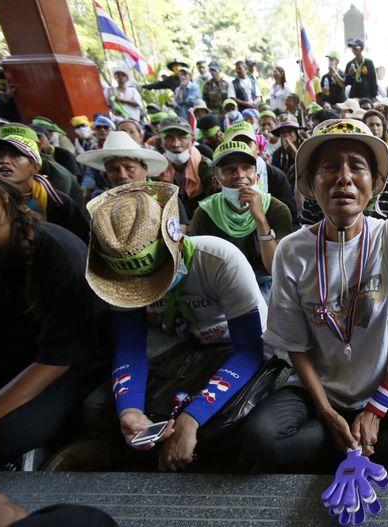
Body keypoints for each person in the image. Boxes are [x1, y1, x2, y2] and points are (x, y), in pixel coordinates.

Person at [239, 119, 388, 473]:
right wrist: (326, 411)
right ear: (311, 184)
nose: (343, 177)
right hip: (317, 389)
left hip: (382, 383)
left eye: (356, 167)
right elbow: (295, 345)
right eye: (329, 167)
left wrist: (376, 409)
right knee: (261, 438)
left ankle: (347, 441)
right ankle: (352, 440)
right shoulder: (292, 251)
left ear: (374, 184)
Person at [82, 181, 267, 472]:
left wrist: (192, 417)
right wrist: (129, 411)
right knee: (97, 407)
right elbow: (130, 346)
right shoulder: (117, 272)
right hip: (188, 349)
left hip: (236, 347)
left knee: (232, 422)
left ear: (177, 239)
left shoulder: (220, 259)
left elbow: (250, 351)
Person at [0, 145, 109, 469]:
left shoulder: (56, 250)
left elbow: (57, 359)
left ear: (2, 194)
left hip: (72, 366)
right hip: (13, 358)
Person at [190, 141, 292, 300]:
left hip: (266, 280)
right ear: (216, 182)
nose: (239, 175)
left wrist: (260, 218)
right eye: (229, 170)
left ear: (257, 177)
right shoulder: (205, 214)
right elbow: (204, 270)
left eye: (246, 167)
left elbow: (274, 269)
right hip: (224, 282)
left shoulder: (276, 209)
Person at [0, 131, 89, 242]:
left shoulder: (58, 202)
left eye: (15, 155)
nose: (4, 161)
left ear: (35, 167)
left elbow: (82, 241)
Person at [154, 117, 216, 217]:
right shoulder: (156, 169)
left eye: (182, 137)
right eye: (169, 138)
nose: (176, 144)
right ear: (161, 142)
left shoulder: (206, 167)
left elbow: (213, 203)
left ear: (192, 141)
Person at [363, 109, 388, 177]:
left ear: (383, 128)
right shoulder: (360, 147)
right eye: (371, 125)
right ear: (364, 127)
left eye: (378, 125)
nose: (375, 128)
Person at [270, 117, 304, 184]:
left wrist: (294, 152)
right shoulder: (277, 154)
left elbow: (306, 168)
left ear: (297, 133)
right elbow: (276, 178)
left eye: (289, 131)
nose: (286, 134)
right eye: (283, 132)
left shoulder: (306, 147)